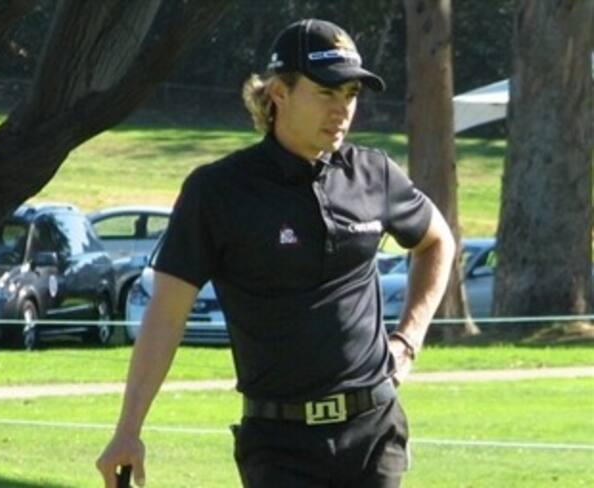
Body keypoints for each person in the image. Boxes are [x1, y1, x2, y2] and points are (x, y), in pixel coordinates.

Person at [97, 18, 455, 488]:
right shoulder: (218, 191)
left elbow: (437, 241)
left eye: (350, 94)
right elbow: (166, 314)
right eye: (326, 92)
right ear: (278, 93)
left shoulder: (375, 174)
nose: (342, 109)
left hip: (374, 434)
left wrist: (408, 340)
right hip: (279, 447)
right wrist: (128, 430)